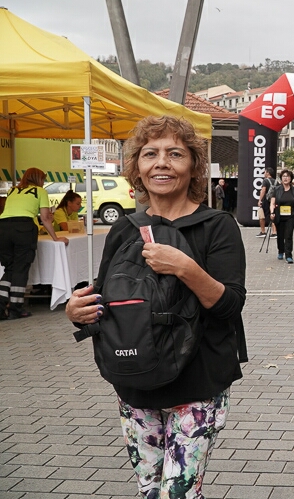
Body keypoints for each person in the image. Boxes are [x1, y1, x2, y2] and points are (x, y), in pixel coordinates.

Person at [66, 115, 246, 499]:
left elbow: (229, 306)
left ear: (194, 166)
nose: (161, 163)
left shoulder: (218, 226)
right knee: (149, 491)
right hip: (135, 381)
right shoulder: (124, 228)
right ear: (137, 167)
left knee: (176, 494)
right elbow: (109, 299)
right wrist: (78, 310)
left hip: (198, 383)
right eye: (150, 154)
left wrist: (185, 267)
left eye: (175, 154)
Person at [0, 167, 69, 319]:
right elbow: (45, 218)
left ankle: (0, 306)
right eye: (43, 179)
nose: (43, 183)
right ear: (39, 179)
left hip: (3, 227)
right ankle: (15, 309)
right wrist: (55, 238)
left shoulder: (13, 190)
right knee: (21, 267)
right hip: (23, 228)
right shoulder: (39, 191)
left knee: (9, 268)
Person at [270, 169, 294, 264]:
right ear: (281, 178)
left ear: (291, 178)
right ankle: (281, 251)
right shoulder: (276, 190)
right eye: (284, 176)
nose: (286, 178)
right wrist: (272, 212)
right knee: (280, 235)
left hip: (291, 216)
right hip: (279, 215)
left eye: (288, 176)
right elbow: (272, 203)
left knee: (288, 235)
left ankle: (289, 255)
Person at [256, 168, 277, 238]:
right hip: (273, 201)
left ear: (268, 173)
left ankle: (263, 231)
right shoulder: (276, 181)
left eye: (264, 172)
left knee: (261, 215)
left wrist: (260, 200)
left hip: (266, 201)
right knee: (273, 215)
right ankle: (274, 232)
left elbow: (263, 190)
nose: (264, 173)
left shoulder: (265, 180)